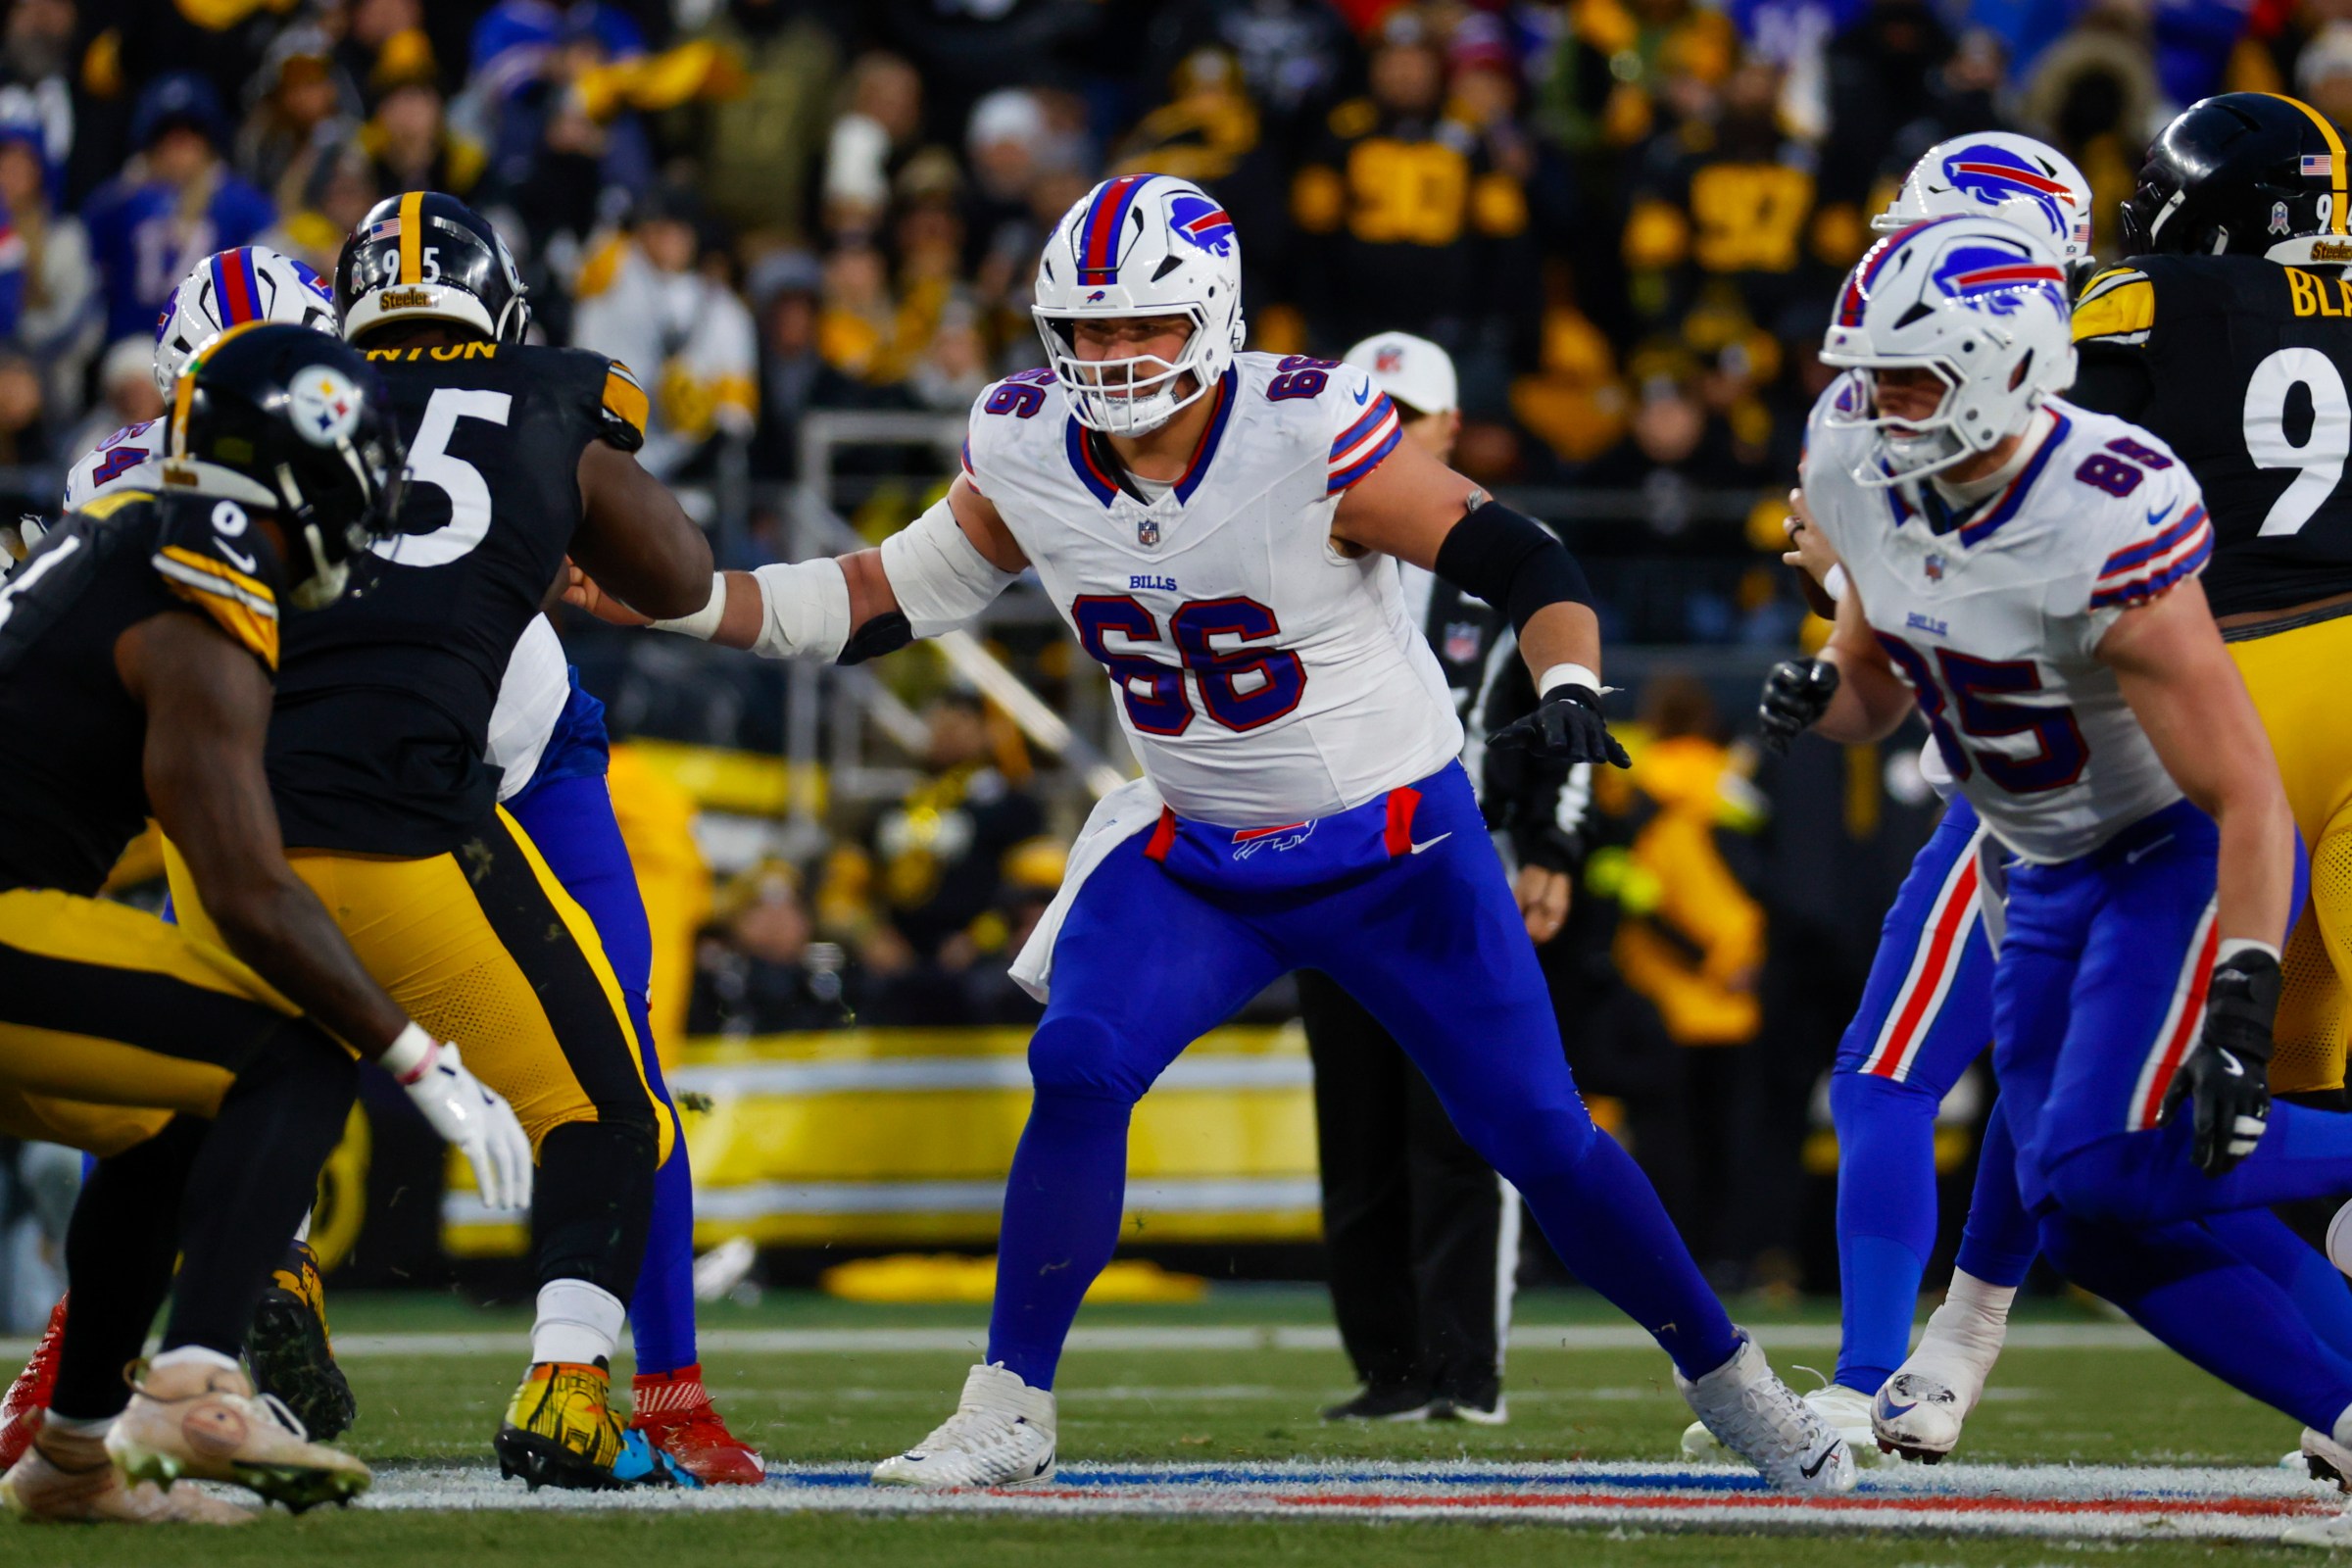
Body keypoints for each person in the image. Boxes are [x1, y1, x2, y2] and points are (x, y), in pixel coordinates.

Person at [575, 172, 1856, 1494]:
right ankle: (1010, 1405)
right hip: (1203, 852)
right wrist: (676, 604)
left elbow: (1523, 558)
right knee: (1077, 1060)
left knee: (1536, 1134)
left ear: (1210, 316)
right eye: (1087, 330)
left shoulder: (1303, 428)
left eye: (1141, 327)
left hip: (1397, 847)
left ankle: (1732, 1378)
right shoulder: (1023, 445)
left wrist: (1573, 683)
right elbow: (872, 600)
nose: (1113, 357)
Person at [19, 233, 764, 1483]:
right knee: (238, 1050)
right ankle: (157, 1342)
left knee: (226, 1053)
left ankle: (664, 1383)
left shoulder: (171, 498)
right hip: (338, 785)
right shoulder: (198, 515)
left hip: (494, 761)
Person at [1773, 214, 2352, 1527]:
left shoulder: (2111, 505)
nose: (1876, 405)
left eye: (1908, 377)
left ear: (1996, 365)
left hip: (2162, 852)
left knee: (2093, 1169)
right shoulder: (1859, 465)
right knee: (2081, 1214)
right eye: (1866, 376)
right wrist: (1820, 698)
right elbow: (1870, 686)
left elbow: (2247, 790)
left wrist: (2249, 985)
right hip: (2032, 861)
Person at [0, 324, 531, 1523]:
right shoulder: (207, 549)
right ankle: (193, 1383)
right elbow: (245, 885)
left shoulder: (125, 534)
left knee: (164, 1113)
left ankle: (73, 1459)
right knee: (295, 1049)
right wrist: (421, 1054)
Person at [1706, 131, 2094, 1467]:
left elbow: (1969, 635)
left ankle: (1884, 1371)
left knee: (1894, 1080)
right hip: (2130, 793)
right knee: (2095, 1122)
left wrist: (1843, 588)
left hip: (2032, 802)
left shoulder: (1997, 443)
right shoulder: (2117, 415)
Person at [1300, 328, 1585, 1427]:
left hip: (1452, 870)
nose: (1382, 438)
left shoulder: (1506, 553)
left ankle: (1465, 1372)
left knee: (1462, 1124)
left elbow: (1563, 705)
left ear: (1448, 430)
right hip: (1331, 867)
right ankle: (1391, 1366)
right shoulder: (1304, 544)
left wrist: (1553, 845)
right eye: (1366, 414)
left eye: (1404, 419)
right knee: (1357, 1128)